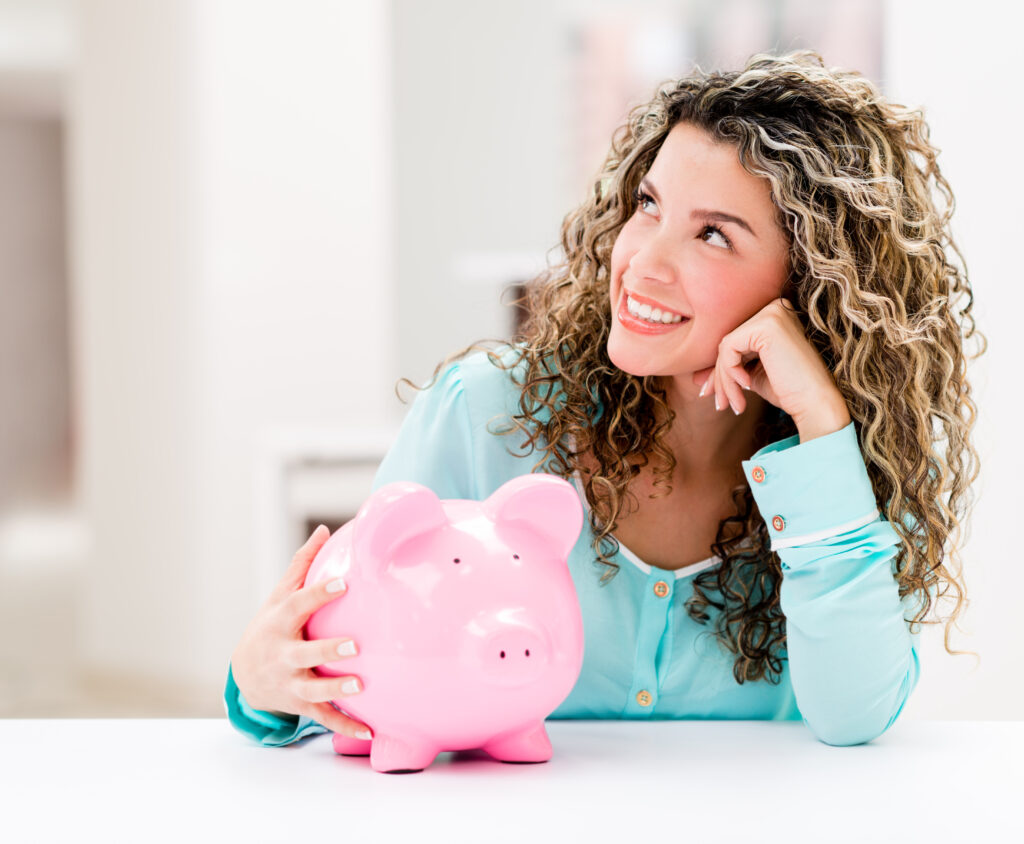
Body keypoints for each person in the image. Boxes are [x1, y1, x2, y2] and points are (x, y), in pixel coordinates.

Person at [226, 49, 982, 749]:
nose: (642, 261)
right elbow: (350, 666)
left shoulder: (851, 467)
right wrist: (267, 687)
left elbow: (854, 718)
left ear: (809, 286)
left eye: (714, 235)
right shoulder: (486, 413)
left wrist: (821, 427)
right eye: (649, 205)